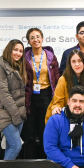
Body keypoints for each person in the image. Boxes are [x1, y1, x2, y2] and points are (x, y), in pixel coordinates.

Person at [45, 50, 84, 168]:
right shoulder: (64, 79)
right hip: (68, 118)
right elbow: (57, 100)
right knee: (66, 147)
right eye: (74, 61)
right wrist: (56, 108)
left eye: (80, 61)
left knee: (81, 150)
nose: (77, 64)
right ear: (69, 64)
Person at [23, 27, 61, 159]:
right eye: (32, 37)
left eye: (38, 36)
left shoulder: (51, 56)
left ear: (42, 38)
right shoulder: (25, 57)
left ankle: (45, 165)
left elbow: (57, 78)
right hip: (30, 97)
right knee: (30, 133)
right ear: (29, 41)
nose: (35, 39)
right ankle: (29, 166)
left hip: (46, 96)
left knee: (45, 131)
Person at [0, 40, 27, 160]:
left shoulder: (17, 66)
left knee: (10, 146)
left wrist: (19, 114)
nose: (18, 53)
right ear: (9, 50)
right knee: (16, 146)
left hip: (18, 114)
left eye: (21, 51)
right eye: (15, 50)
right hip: (5, 114)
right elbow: (4, 95)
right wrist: (16, 114)